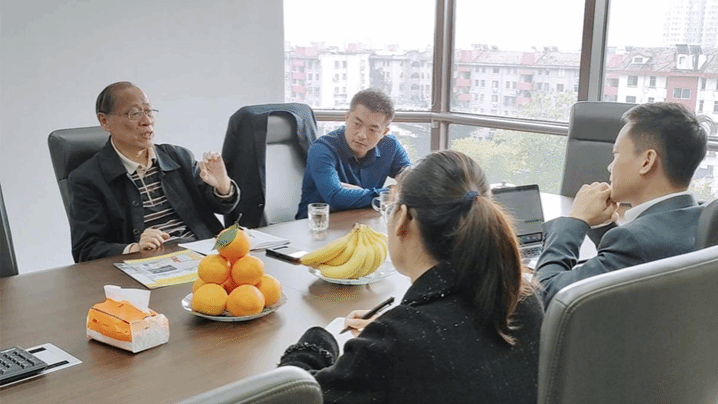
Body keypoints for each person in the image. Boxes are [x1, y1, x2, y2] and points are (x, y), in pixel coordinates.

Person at [279, 150, 543, 403]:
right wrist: (388, 333)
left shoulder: (398, 342)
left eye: (390, 209)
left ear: (403, 218)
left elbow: (291, 396)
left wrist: (317, 342)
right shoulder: (524, 300)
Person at [535, 102, 708, 306]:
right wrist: (602, 226)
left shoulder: (634, 242)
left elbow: (544, 294)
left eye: (616, 154)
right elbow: (627, 265)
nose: (610, 166)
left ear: (647, 161)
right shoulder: (706, 219)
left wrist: (575, 220)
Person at [68, 82, 239, 262]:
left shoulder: (178, 157)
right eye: (134, 113)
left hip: (206, 257)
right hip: (152, 265)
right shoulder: (87, 179)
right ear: (105, 121)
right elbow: (86, 249)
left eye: (149, 112)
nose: (147, 121)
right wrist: (134, 248)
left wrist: (223, 186)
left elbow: (222, 207)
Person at [295, 88, 410, 219]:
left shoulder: (390, 146)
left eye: (372, 129)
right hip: (316, 226)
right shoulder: (322, 149)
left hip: (361, 223)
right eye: (357, 124)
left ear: (384, 132)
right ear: (347, 117)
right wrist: (390, 193)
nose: (362, 135)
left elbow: (413, 184)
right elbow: (336, 198)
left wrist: (363, 194)